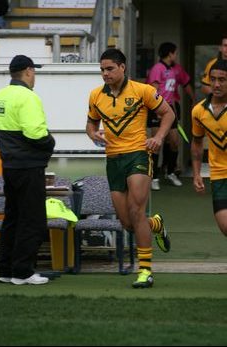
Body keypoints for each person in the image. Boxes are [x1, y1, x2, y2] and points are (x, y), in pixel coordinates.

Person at [86, 48, 175, 288]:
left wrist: (158, 138)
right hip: (113, 159)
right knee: (127, 223)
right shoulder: (95, 95)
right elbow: (91, 123)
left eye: (110, 69)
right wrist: (94, 134)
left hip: (138, 154)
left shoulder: (143, 90)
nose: (105, 74)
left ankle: (145, 271)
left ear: (122, 67)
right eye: (102, 70)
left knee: (136, 211)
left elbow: (168, 114)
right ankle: (156, 224)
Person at [0, 55, 55, 285]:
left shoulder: (0, 96)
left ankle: (6, 270)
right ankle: (23, 272)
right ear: (28, 71)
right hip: (29, 166)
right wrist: (50, 143)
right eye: (34, 71)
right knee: (32, 219)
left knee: (13, 217)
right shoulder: (28, 97)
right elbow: (36, 133)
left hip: (9, 166)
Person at [146, 42, 195, 190]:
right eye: (175, 53)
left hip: (171, 110)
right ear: (170, 54)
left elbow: (184, 85)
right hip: (157, 109)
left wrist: (193, 101)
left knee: (174, 142)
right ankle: (153, 176)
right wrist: (157, 109)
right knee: (156, 144)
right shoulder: (157, 69)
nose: (176, 55)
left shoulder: (176, 69)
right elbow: (153, 92)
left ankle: (171, 172)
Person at [191, 59, 227, 240]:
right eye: (213, 79)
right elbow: (197, 142)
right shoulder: (199, 111)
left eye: (222, 80)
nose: (216, 84)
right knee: (225, 226)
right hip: (219, 174)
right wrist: (197, 173)